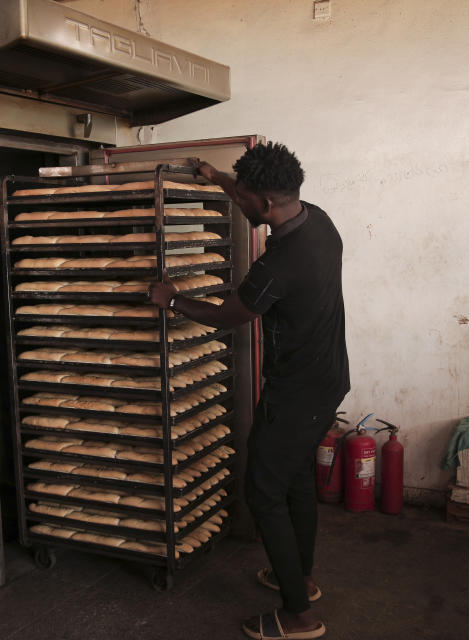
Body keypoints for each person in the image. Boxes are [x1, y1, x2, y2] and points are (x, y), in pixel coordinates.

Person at [148, 142, 350, 639]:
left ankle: (298, 615)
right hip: (328, 381)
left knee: (262, 492)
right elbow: (246, 193)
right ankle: (299, 578)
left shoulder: (277, 265)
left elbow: (226, 316)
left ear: (263, 205)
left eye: (243, 199)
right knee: (296, 478)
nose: (237, 203)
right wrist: (215, 175)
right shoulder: (319, 220)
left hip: (295, 392)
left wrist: (173, 300)